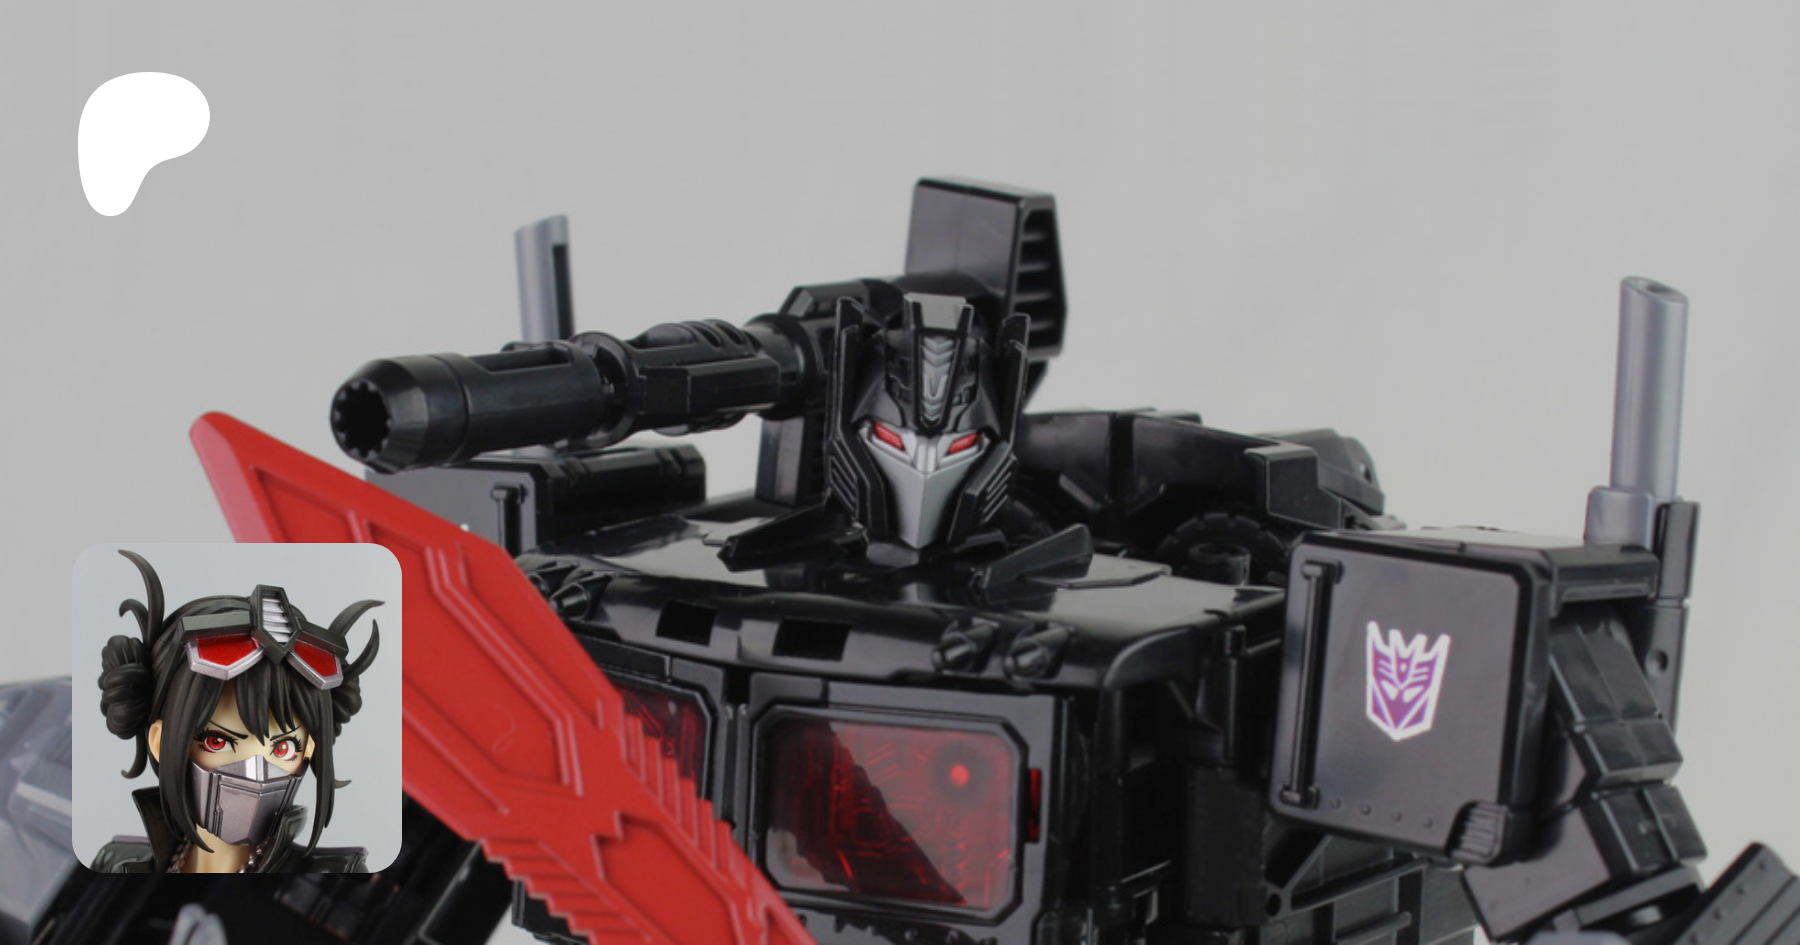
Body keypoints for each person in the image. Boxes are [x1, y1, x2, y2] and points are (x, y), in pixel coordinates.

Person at [90, 550, 380, 873]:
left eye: (283, 748)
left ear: (309, 748)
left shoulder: (337, 874)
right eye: (217, 742)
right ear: (161, 741)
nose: (255, 773)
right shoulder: (114, 864)